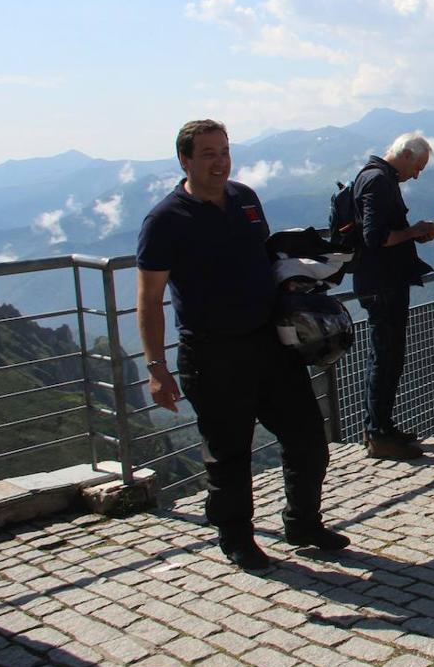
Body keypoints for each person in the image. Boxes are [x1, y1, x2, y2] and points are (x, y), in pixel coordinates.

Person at [136, 120, 348, 571]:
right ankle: (237, 539)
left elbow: (263, 261)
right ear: (185, 160)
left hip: (270, 344)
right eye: (208, 153)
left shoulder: (246, 199)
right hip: (212, 355)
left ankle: (302, 522)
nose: (220, 161)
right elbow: (149, 299)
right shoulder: (165, 219)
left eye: (225, 151)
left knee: (308, 438)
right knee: (230, 453)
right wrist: (156, 367)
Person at [351, 133, 434, 460]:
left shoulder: (373, 177)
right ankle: (378, 433)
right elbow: (375, 237)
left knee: (384, 358)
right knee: (386, 359)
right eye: (417, 167)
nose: (416, 175)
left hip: (377, 283)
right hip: (383, 285)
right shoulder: (378, 182)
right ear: (404, 155)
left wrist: (411, 235)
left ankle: (381, 426)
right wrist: (413, 231)